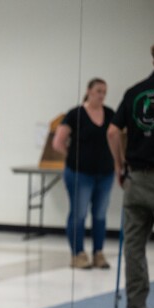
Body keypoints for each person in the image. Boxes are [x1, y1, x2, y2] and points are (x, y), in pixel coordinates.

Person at [107, 39, 154, 308]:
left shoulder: (134, 92)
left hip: (136, 180)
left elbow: (113, 132)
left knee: (133, 248)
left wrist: (120, 166)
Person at [52, 78, 115, 269]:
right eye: (98, 91)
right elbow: (58, 142)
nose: (101, 95)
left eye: (104, 91)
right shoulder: (75, 114)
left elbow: (115, 139)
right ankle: (78, 254)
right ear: (88, 91)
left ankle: (98, 253)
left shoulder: (110, 114)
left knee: (100, 214)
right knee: (79, 214)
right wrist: (73, 156)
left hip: (105, 173)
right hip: (80, 173)